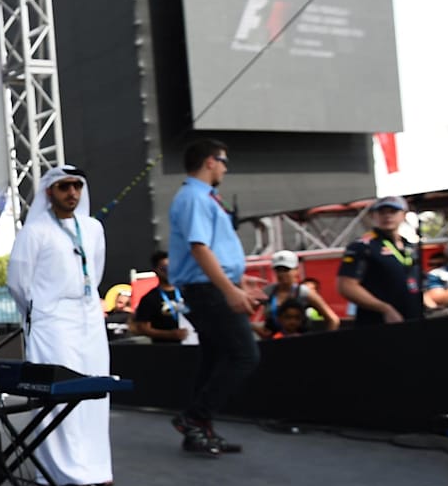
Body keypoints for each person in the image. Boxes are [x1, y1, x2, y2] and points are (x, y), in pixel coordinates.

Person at [6, 164, 113, 486]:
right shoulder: (34, 231)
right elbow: (17, 283)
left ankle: (96, 469)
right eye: (65, 187)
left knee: (96, 391)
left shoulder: (92, 228)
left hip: (89, 321)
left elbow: (96, 270)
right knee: (58, 393)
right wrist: (43, 312)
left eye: (77, 186)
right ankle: (59, 474)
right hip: (52, 324)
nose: (72, 194)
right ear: (50, 191)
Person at [167, 138, 259, 456]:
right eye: (223, 160)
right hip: (207, 290)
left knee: (214, 358)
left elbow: (208, 248)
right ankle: (194, 418)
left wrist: (238, 280)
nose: (225, 167)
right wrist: (230, 288)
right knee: (244, 356)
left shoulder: (201, 197)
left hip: (208, 287)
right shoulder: (195, 197)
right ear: (210, 161)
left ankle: (198, 431)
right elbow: (199, 247)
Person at [337, 197, 425, 326]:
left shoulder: (410, 246)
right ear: (373, 215)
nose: (387, 216)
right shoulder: (363, 246)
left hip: (413, 317)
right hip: (377, 322)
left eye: (393, 211)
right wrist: (384, 308)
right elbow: (346, 286)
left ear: (403, 215)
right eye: (382, 212)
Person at [255, 250, 339, 337]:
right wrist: (253, 327)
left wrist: (327, 345)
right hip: (273, 343)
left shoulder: (305, 292)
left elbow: (333, 319)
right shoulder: (267, 292)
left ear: (296, 270)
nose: (281, 274)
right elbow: (243, 314)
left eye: (286, 269)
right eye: (278, 270)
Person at [129, 250, 195, 344]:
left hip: (192, 344)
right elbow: (143, 328)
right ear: (155, 270)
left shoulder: (187, 292)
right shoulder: (149, 298)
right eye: (164, 268)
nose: (169, 271)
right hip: (164, 349)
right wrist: (170, 335)